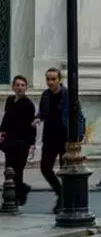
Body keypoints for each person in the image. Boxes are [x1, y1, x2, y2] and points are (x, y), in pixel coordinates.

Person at [33, 67, 86, 214]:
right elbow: (42, 112)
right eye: (48, 79)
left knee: (65, 170)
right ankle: (61, 193)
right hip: (49, 138)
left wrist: (79, 137)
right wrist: (37, 118)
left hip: (65, 139)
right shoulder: (45, 95)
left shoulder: (68, 94)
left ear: (59, 80)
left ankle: (65, 201)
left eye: (53, 79)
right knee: (45, 167)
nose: (50, 82)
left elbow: (79, 115)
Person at [0, 75, 36, 205]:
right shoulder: (9, 100)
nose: (19, 88)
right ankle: (16, 192)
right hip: (10, 141)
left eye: (22, 85)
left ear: (26, 87)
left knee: (18, 170)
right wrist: (1, 132)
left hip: (22, 142)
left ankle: (17, 196)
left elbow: (32, 126)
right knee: (9, 169)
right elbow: (6, 119)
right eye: (17, 85)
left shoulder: (28, 104)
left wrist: (32, 144)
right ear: (13, 87)